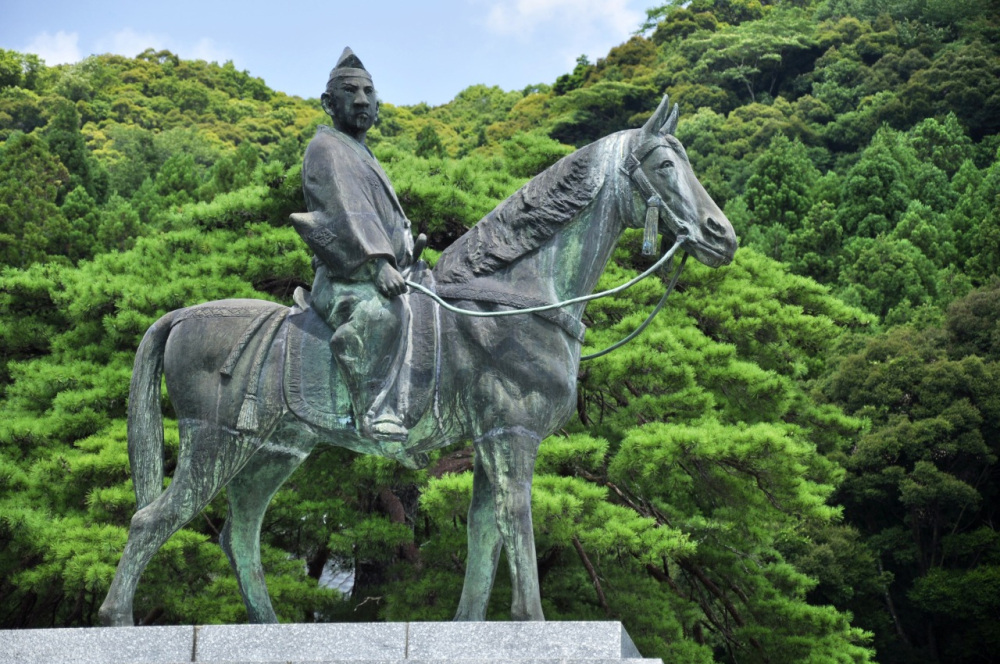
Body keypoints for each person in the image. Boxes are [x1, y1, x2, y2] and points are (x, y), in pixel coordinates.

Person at [290, 47, 416, 442]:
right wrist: (378, 264)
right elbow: (345, 213)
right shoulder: (325, 148)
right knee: (384, 316)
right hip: (348, 278)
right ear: (329, 103)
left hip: (387, 271)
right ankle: (373, 410)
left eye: (369, 92)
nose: (362, 99)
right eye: (350, 91)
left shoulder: (365, 154)